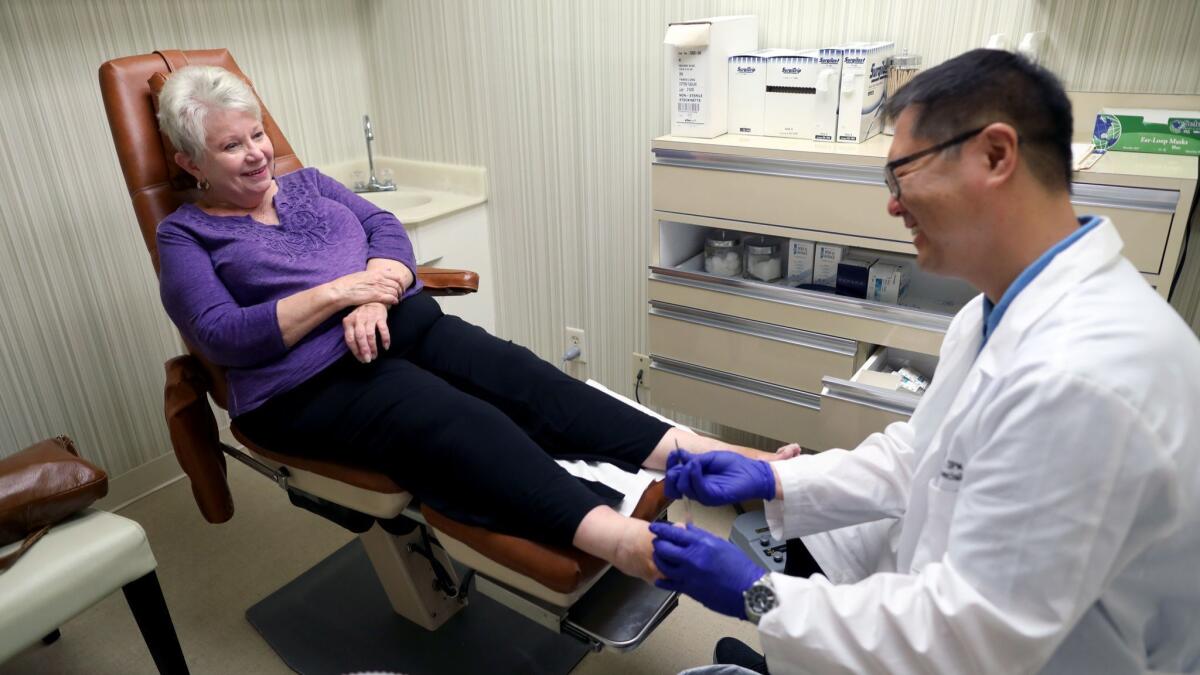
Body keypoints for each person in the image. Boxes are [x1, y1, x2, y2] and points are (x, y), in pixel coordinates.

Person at [651, 48, 1200, 673]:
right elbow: (923, 454)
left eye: (902, 174)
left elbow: (969, 641)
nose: (893, 204)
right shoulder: (992, 311)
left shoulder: (1084, 379)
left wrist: (756, 594)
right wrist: (777, 479)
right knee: (837, 551)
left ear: (995, 155)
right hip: (977, 611)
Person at [153, 64, 776, 582]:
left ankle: (715, 457)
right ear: (189, 163)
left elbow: (385, 230)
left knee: (525, 378)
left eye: (257, 135)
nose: (258, 154)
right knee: (449, 416)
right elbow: (220, 335)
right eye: (231, 146)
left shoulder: (309, 185)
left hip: (399, 322)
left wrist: (378, 294)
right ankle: (622, 541)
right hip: (307, 382)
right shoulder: (186, 235)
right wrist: (342, 292)